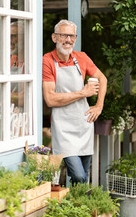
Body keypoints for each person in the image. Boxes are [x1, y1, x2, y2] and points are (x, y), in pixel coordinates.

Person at [42, 19, 107, 184]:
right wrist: (82, 93)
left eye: (71, 36)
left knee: (83, 177)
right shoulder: (47, 61)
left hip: (83, 124)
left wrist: (99, 106)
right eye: (63, 35)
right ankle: (77, 203)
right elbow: (50, 99)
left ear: (75, 38)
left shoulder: (82, 58)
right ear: (54, 37)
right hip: (63, 127)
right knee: (78, 175)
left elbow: (102, 78)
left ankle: (80, 207)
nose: (68, 40)